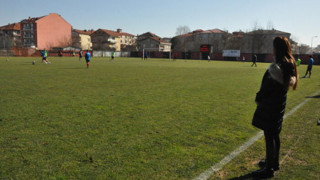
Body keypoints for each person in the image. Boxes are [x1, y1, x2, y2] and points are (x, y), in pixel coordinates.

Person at [251, 37, 298, 178]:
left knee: (269, 135)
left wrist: (258, 97)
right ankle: (274, 162)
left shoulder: (278, 65)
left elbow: (268, 87)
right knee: (275, 133)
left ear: (277, 48)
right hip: (279, 103)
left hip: (271, 104)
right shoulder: (290, 63)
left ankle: (269, 168)